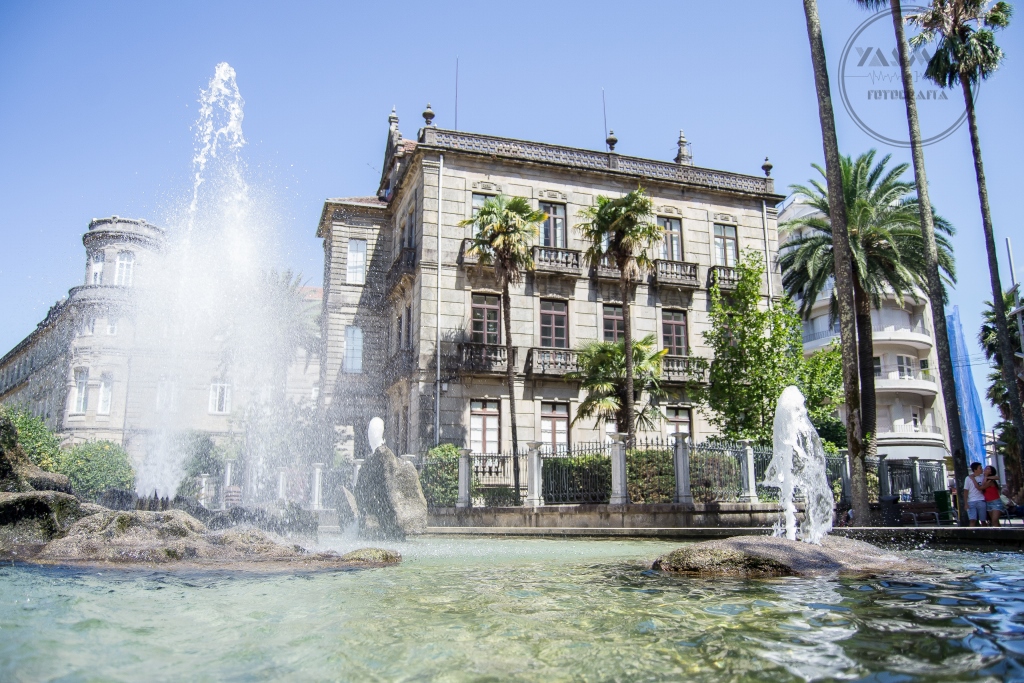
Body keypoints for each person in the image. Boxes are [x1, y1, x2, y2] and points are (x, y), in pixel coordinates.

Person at [964, 462, 987, 527]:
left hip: (981, 499)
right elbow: (966, 491)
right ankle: (972, 533)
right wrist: (966, 503)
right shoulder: (968, 478)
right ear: (975, 470)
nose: (981, 469)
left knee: (983, 520)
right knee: (972, 519)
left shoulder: (983, 477)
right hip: (971, 501)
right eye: (980, 468)